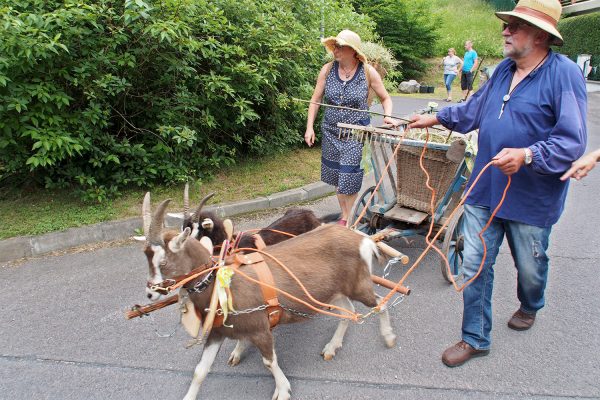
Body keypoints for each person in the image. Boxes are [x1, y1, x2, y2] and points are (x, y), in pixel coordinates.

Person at [408, 0, 587, 367]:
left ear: (540, 36)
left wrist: (528, 155)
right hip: (485, 189)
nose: (505, 31)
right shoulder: (503, 70)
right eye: (507, 24)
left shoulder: (563, 74)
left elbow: (572, 141)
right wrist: (435, 118)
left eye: (515, 26)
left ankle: (530, 302)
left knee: (531, 267)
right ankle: (475, 337)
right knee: (474, 262)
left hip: (532, 199)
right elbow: (471, 111)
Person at [304, 30, 396, 226]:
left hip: (356, 133)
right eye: (334, 46)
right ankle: (346, 215)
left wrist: (388, 116)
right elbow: (315, 99)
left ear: (353, 51)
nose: (335, 50)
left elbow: (385, 98)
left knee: (349, 175)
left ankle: (347, 219)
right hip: (330, 131)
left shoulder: (367, 72)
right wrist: (309, 127)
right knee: (337, 176)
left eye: (340, 46)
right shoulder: (327, 70)